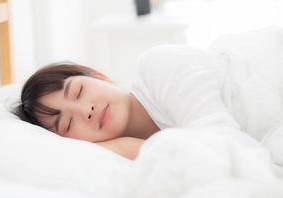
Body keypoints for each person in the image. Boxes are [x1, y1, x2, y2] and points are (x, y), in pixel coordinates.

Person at [14, 45, 242, 160]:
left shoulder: (158, 67)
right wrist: (129, 149)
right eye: (69, 124)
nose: (87, 110)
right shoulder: (142, 151)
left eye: (79, 91)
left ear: (98, 75)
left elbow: (227, 150)